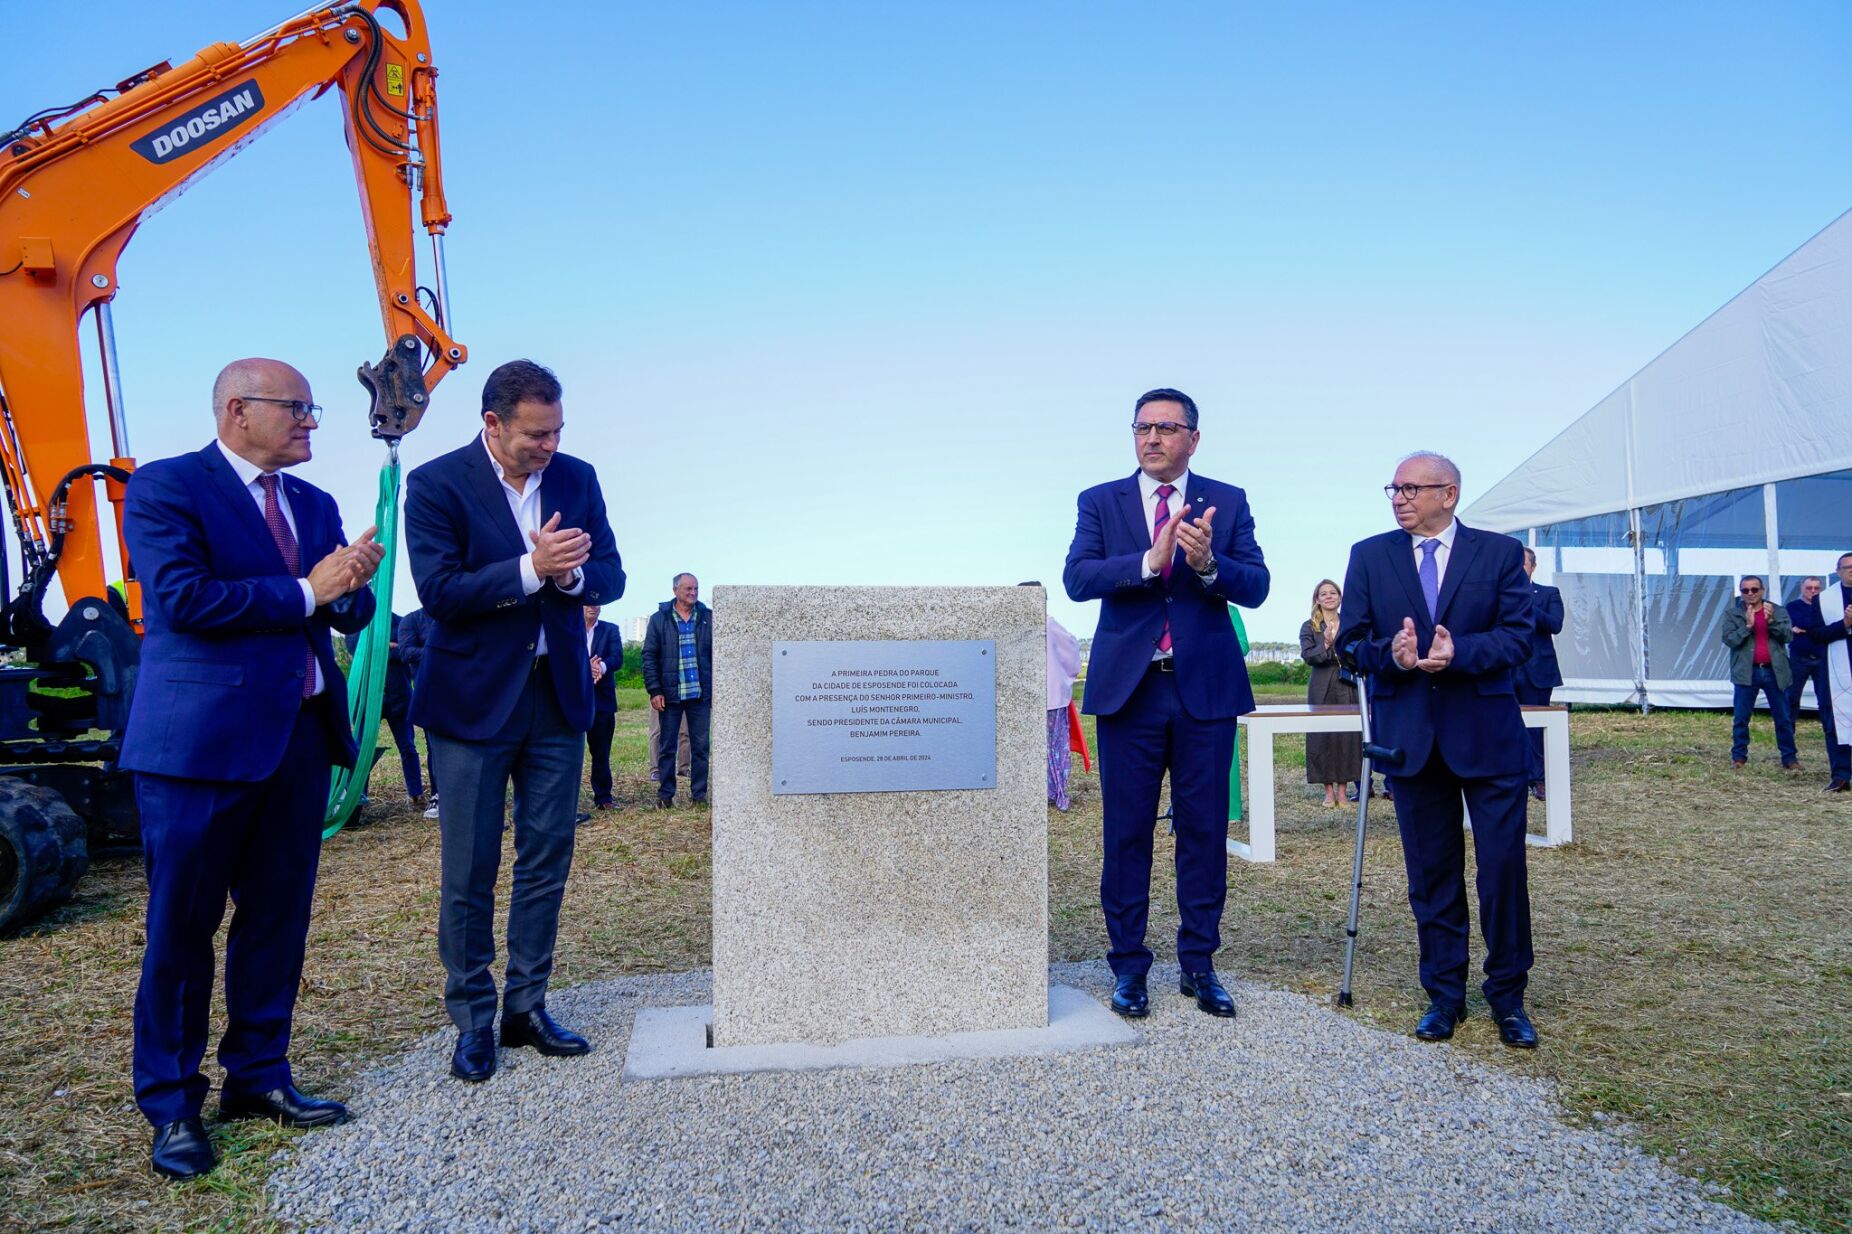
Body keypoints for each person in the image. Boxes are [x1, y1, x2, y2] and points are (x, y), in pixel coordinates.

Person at [119, 358, 383, 1180]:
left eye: (313, 410)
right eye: (297, 408)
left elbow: (347, 608)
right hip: (198, 752)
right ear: (238, 410)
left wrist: (349, 589)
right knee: (182, 930)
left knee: (276, 923)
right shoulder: (166, 488)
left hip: (297, 741)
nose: (311, 423)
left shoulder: (312, 502)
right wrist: (309, 590)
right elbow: (183, 599)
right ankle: (171, 1105)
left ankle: (259, 1078)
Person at [404, 359, 624, 1084]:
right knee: (469, 866)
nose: (549, 445)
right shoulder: (435, 484)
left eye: (558, 430)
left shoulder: (577, 478)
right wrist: (532, 570)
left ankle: (526, 1007)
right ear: (493, 423)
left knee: (547, 856)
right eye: (536, 433)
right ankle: (473, 1018)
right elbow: (439, 591)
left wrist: (571, 578)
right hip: (471, 705)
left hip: (556, 696)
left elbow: (614, 574)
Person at [1063, 388, 1269, 1021]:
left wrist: (1210, 567)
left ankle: (1199, 964)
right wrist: (1146, 563)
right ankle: (1128, 967)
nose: (1151, 438)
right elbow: (1078, 578)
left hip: (1203, 690)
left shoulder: (1227, 502)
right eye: (1142, 427)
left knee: (1203, 833)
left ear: (1193, 439)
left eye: (1166, 428)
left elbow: (1257, 585)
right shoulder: (1101, 501)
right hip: (1131, 691)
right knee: (1126, 834)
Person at [1336, 451, 1540, 1049]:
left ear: (1448, 494)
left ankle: (1508, 996)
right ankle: (1443, 996)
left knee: (1502, 871)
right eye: (1393, 489)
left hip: (1489, 740)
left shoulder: (1498, 554)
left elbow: (1519, 637)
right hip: (1411, 743)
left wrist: (1462, 653)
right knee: (1432, 876)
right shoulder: (1369, 556)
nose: (1398, 498)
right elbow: (1351, 643)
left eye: (1410, 488)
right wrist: (1390, 656)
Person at [641, 573, 712, 807]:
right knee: (667, 747)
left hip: (699, 694)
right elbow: (649, 656)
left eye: (696, 589)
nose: (693, 593)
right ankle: (665, 796)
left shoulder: (707, 618)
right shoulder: (659, 619)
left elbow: (717, 654)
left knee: (701, 748)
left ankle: (699, 796)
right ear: (675, 590)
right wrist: (655, 690)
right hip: (670, 695)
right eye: (688, 589)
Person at [343, 612, 425, 810]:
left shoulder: (401, 622)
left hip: (399, 699)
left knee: (408, 747)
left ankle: (416, 794)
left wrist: (378, 649)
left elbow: (406, 652)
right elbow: (356, 650)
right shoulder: (357, 623)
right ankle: (359, 796)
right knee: (361, 749)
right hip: (368, 700)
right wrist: (388, 647)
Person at [1721, 575, 1799, 770]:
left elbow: (1788, 636)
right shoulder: (1733, 614)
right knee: (1741, 718)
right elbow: (1729, 640)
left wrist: (1771, 621)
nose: (1750, 594)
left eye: (1754, 590)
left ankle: (1789, 759)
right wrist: (1747, 626)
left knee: (1783, 717)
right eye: (1745, 590)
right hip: (1746, 672)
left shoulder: (1777, 610)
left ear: (1762, 591)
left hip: (1775, 671)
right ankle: (1739, 757)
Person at [1299, 579, 1361, 808]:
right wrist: (1325, 644)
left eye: (1332, 592)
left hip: (1347, 684)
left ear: (1339, 597)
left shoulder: (1351, 624)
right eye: (1323, 593)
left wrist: (1340, 645)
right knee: (1322, 736)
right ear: (1317, 599)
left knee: (1347, 737)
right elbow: (1307, 656)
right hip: (1321, 685)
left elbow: (1358, 653)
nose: (1328, 596)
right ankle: (1328, 792)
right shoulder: (1309, 626)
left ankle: (1343, 791)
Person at [1794, 555, 1852, 792]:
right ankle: (1841, 774)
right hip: (1837, 672)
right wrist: (1845, 624)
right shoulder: (1824, 600)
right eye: (1847, 568)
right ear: (1837, 571)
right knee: (1835, 722)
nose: (1851, 572)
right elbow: (1815, 634)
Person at [1517, 548, 1564, 801]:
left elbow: (1555, 624)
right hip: (1507, 670)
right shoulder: (1500, 595)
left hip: (1538, 671)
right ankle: (1511, 774)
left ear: (1533, 567)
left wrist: (1526, 603)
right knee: (1506, 724)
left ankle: (1537, 778)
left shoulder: (1548, 593)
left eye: (1522, 564)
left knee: (1536, 727)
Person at [398, 606, 441, 817]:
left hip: (462, 689)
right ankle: (438, 795)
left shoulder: (453, 616)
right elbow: (405, 652)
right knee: (435, 747)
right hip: (430, 694)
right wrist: (442, 651)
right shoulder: (411, 620)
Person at [585, 604, 622, 809]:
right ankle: (565, 800)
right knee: (567, 753)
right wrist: (585, 665)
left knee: (601, 752)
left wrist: (601, 666)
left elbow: (617, 658)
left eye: (597, 603)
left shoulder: (610, 629)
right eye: (588, 602)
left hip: (602, 701)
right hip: (572, 699)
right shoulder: (569, 627)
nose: (593, 606)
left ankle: (604, 798)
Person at [1045, 609, 1082, 811]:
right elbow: (1070, 648)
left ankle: (1053, 790)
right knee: (1054, 747)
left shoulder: (1047, 623)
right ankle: (1055, 789)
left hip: (1047, 696)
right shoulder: (1049, 623)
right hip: (1051, 694)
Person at [1785, 576, 1825, 722]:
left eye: (1817, 588)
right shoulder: (1792, 606)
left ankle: (1830, 734)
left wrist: (1803, 628)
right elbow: (1806, 623)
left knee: (1824, 699)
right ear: (1802, 588)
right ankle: (1789, 735)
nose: (1813, 591)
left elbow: (1808, 624)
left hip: (1822, 658)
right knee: (1792, 698)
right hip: (1799, 658)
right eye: (1809, 588)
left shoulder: (1825, 605)